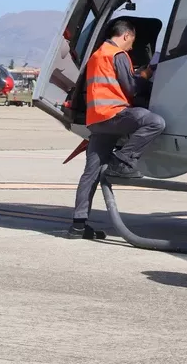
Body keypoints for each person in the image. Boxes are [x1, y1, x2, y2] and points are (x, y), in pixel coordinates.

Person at [68, 18, 166, 240]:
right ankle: (122, 160)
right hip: (114, 114)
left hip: (97, 121)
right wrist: (147, 74)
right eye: (132, 42)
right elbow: (130, 88)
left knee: (90, 173)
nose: (131, 47)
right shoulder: (118, 55)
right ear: (126, 36)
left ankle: (77, 225)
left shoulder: (97, 55)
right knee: (154, 122)